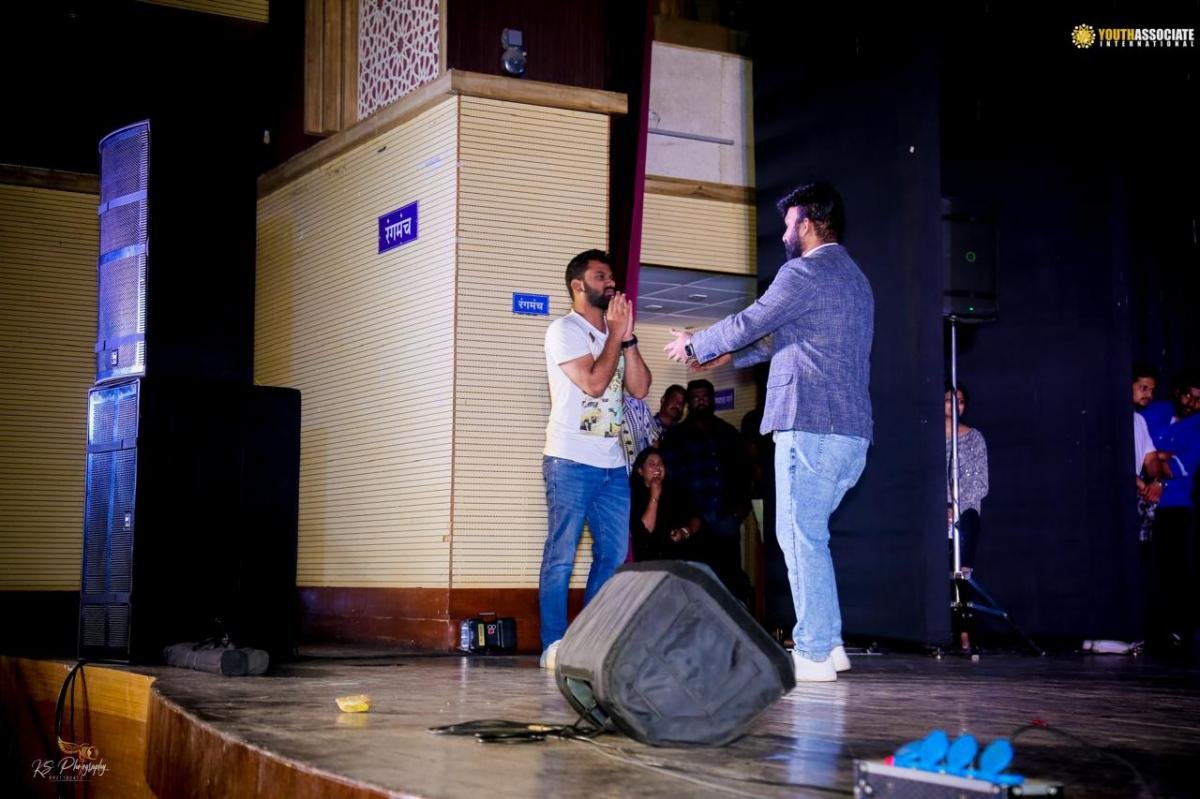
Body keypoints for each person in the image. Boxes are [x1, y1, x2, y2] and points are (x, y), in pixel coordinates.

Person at [665, 180, 873, 682]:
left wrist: (696, 344)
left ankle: (814, 652)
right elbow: (787, 336)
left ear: (809, 224)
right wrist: (729, 356)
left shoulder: (803, 272)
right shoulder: (855, 279)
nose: (783, 233)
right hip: (851, 433)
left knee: (799, 537)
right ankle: (831, 644)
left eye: (789, 223)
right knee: (812, 536)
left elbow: (755, 319)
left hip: (810, 424)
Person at [539, 249, 651, 669]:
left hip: (613, 465)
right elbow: (593, 383)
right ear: (578, 285)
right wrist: (614, 336)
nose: (611, 283)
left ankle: (587, 643)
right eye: (601, 276)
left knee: (613, 555)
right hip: (568, 460)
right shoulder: (564, 330)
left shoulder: (615, 333)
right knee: (561, 555)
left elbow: (640, 389)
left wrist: (628, 339)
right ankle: (553, 644)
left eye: (611, 276)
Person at [659, 379, 752, 600]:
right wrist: (680, 519)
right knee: (694, 584)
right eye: (695, 398)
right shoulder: (675, 436)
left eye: (705, 397)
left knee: (728, 582)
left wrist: (740, 509)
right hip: (691, 523)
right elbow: (670, 481)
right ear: (689, 403)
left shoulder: (728, 432)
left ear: (712, 400)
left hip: (725, 518)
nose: (700, 402)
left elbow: (743, 472)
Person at [1141, 371, 1200, 655]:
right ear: (1178, 391)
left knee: (1174, 569)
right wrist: (1159, 458)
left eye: (1199, 400)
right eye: (1189, 395)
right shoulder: (1155, 411)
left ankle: (1175, 631)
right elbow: (1142, 450)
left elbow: (1174, 467)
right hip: (1140, 498)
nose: (1193, 403)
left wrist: (1159, 464)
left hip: (1175, 503)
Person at [945, 381, 988, 654]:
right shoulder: (929, 438)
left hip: (965, 510)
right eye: (949, 400)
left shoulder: (974, 438)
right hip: (935, 512)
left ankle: (964, 634)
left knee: (960, 570)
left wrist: (956, 507)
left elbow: (981, 484)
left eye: (960, 401)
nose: (955, 406)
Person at [628, 447, 706, 562]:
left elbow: (696, 516)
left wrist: (685, 532)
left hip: (680, 558)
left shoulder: (676, 490)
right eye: (651, 464)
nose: (657, 467)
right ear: (640, 471)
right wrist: (654, 495)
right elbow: (644, 532)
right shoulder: (632, 496)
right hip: (649, 561)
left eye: (660, 463)